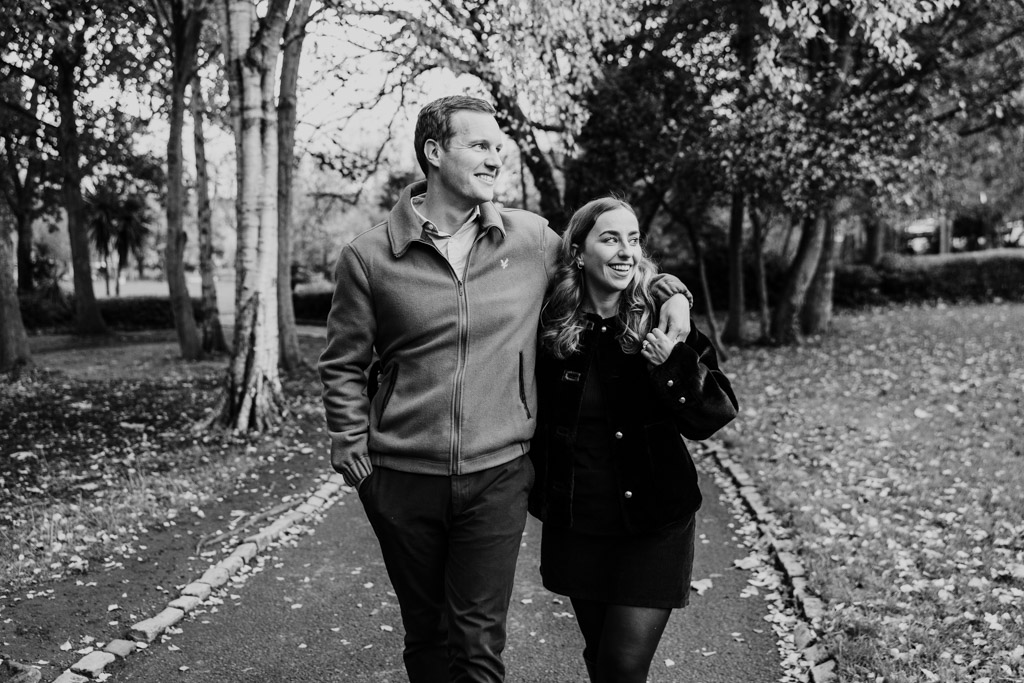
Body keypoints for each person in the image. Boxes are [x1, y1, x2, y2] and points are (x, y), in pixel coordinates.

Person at [317, 96, 693, 683]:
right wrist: (349, 442)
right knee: (427, 632)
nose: (496, 158)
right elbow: (342, 363)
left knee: (477, 641)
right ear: (434, 153)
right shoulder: (369, 256)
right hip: (401, 475)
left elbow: (611, 259)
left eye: (499, 147)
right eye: (480, 146)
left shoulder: (530, 239)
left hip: (499, 471)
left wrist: (673, 292)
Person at [528, 197, 739, 683]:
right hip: (579, 523)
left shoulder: (661, 322)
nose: (626, 251)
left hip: (654, 522)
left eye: (633, 238)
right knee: (601, 658)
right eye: (610, 238)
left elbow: (715, 414)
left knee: (623, 666)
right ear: (578, 253)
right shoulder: (550, 327)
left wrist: (672, 361)